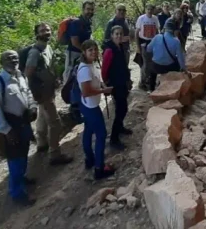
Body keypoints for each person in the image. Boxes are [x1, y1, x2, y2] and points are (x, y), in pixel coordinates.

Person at [0, 50, 38, 206]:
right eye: (8, 58)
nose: (13, 60)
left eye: (15, 58)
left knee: (24, 153)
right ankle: (18, 193)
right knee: (15, 159)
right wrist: (6, 131)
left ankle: (22, 178)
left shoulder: (20, 76)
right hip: (11, 126)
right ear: (1, 62)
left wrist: (33, 107)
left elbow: (28, 93)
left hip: (24, 121)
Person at [24, 23, 73, 166]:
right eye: (42, 30)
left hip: (48, 90)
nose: (46, 32)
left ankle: (42, 143)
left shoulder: (48, 48)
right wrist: (37, 89)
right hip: (42, 93)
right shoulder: (35, 52)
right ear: (37, 34)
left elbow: (48, 67)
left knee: (42, 116)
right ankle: (55, 154)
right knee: (55, 123)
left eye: (48, 30)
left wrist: (54, 79)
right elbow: (28, 72)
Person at [76, 39, 117, 180]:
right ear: (84, 52)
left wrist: (102, 87)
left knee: (88, 130)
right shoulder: (84, 70)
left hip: (88, 105)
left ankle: (90, 159)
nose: (93, 52)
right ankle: (99, 168)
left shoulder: (90, 65)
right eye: (90, 50)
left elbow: (97, 81)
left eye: (95, 49)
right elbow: (86, 92)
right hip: (90, 106)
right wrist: (103, 90)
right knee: (101, 134)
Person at [102, 26, 132, 150]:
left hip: (121, 82)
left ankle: (120, 128)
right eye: (116, 34)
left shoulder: (119, 47)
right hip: (115, 84)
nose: (119, 36)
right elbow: (104, 70)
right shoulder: (109, 50)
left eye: (120, 34)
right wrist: (106, 85)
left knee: (123, 108)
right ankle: (114, 138)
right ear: (112, 35)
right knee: (121, 109)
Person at [66, 0, 95, 122]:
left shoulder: (87, 22)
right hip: (74, 54)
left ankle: (80, 106)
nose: (89, 11)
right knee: (73, 81)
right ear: (83, 9)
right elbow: (74, 42)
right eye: (88, 9)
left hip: (83, 54)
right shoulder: (76, 23)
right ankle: (74, 110)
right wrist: (86, 52)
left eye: (91, 9)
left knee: (82, 80)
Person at [146, 19, 187, 90]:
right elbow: (180, 58)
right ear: (174, 30)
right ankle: (173, 87)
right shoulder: (176, 41)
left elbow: (148, 49)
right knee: (176, 64)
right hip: (169, 67)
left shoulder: (157, 37)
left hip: (156, 66)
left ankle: (151, 89)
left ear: (165, 29)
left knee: (152, 71)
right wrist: (183, 68)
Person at [135, 4, 160, 91]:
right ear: (146, 10)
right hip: (143, 42)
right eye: (148, 9)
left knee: (153, 62)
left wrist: (158, 42)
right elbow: (136, 32)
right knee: (145, 63)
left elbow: (157, 31)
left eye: (151, 9)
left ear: (153, 10)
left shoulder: (155, 19)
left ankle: (149, 79)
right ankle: (142, 82)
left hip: (153, 42)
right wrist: (137, 46)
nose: (149, 11)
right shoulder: (141, 18)